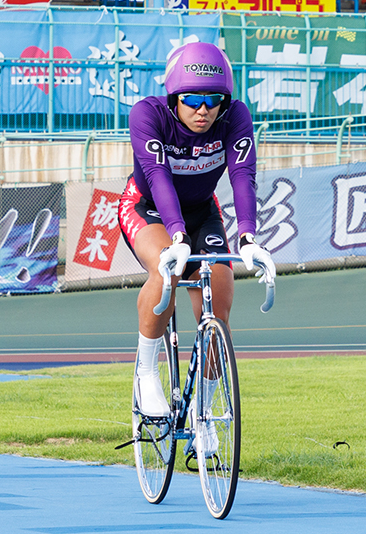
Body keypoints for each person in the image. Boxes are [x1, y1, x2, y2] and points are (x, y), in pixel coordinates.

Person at [119, 42, 275, 452]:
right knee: (167, 271)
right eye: (192, 100)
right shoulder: (147, 114)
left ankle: (202, 411)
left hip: (203, 211)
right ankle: (147, 374)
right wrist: (175, 235)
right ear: (174, 98)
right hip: (148, 207)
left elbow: (243, 175)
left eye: (213, 100)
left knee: (217, 305)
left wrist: (247, 236)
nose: (204, 110)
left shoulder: (234, 117)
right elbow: (157, 176)